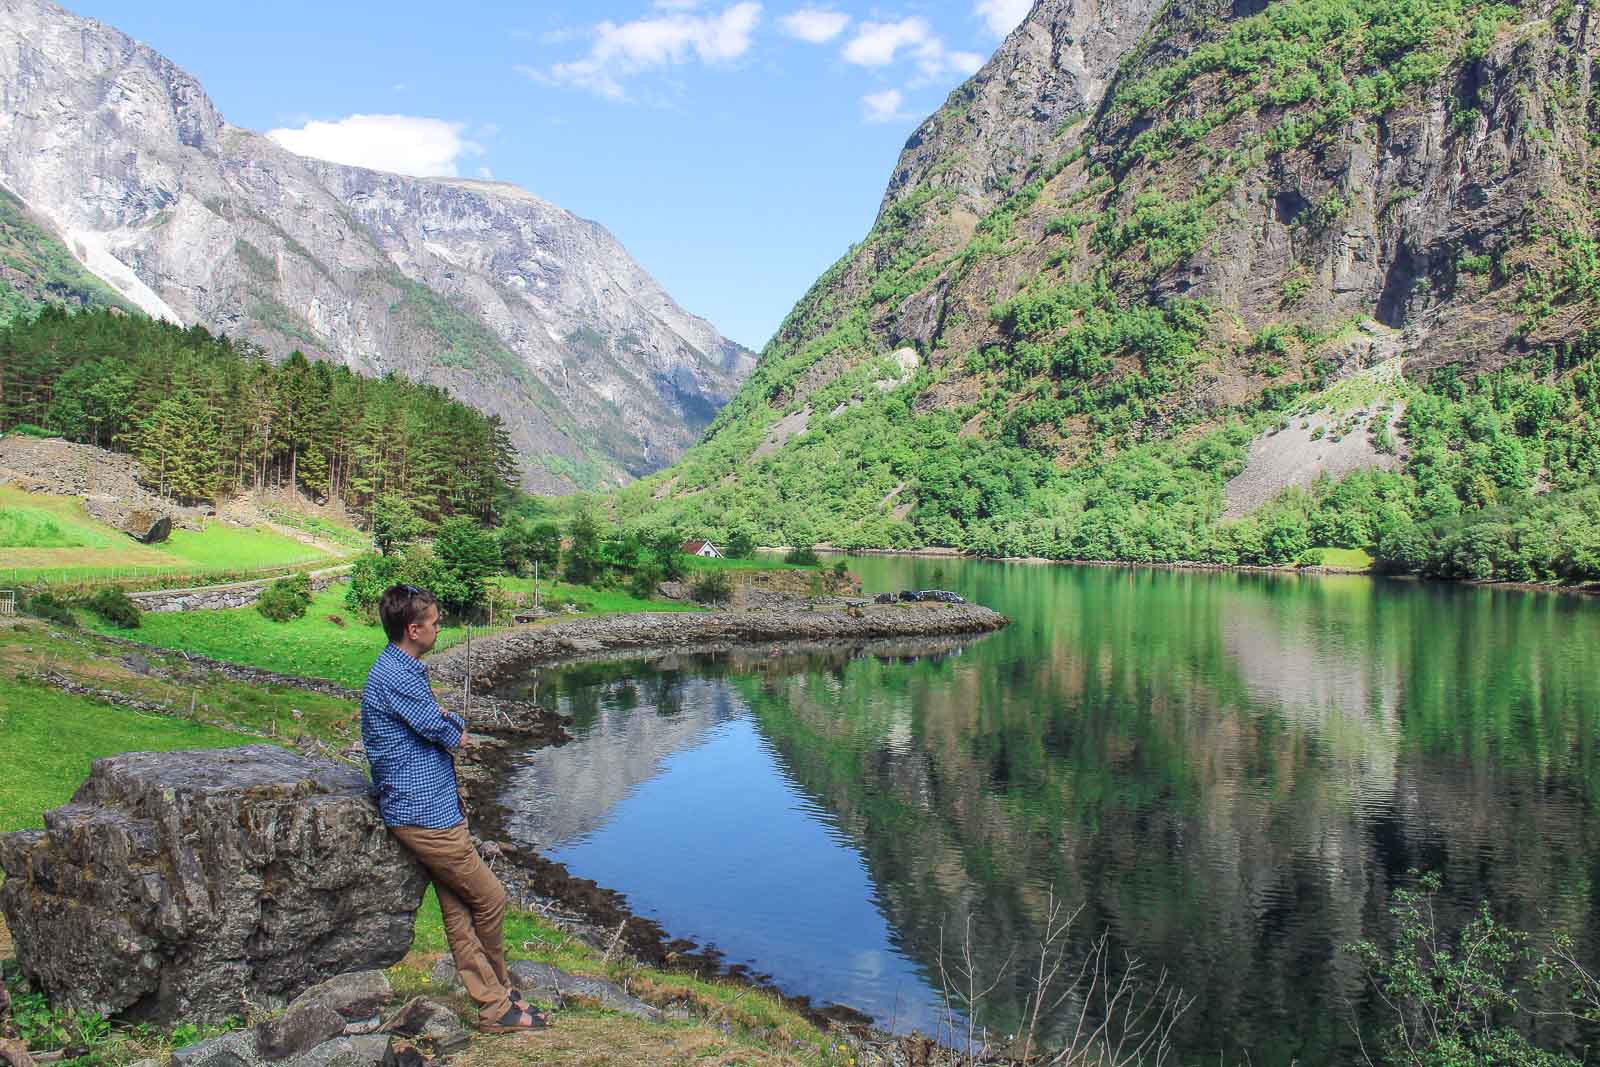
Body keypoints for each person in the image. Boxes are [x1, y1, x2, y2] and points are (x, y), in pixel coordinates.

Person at [361, 583, 550, 1033]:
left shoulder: (399, 668)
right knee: (490, 898)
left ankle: (496, 1005)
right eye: (435, 622)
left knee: (458, 911)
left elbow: (439, 723)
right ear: (414, 629)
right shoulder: (399, 677)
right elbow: (446, 730)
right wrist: (454, 726)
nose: (440, 628)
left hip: (432, 809)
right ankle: (499, 995)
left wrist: (448, 723)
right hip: (424, 816)